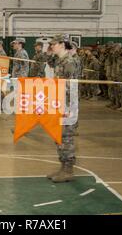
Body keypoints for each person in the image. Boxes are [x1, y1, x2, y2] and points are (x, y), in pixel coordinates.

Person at [46, 34, 78, 183]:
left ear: (63, 44)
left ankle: (68, 170)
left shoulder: (69, 62)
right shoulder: (60, 60)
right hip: (59, 103)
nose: (52, 46)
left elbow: (70, 86)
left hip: (67, 105)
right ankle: (63, 166)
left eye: (54, 44)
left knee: (66, 137)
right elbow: (50, 61)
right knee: (58, 135)